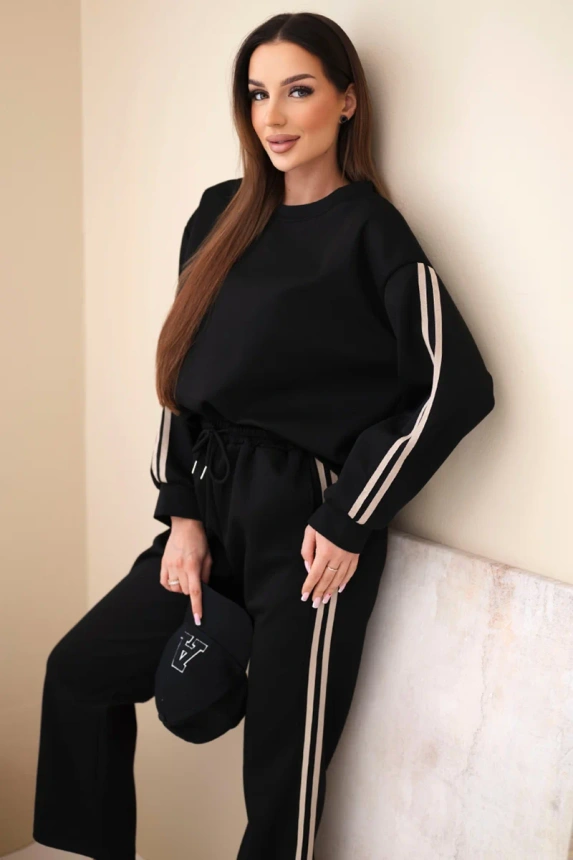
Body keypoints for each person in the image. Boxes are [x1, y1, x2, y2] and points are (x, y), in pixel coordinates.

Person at [33, 11, 495, 860]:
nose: (273, 117)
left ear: (346, 101)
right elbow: (181, 373)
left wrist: (350, 517)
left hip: (306, 534)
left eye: (298, 91)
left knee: (281, 779)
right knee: (80, 673)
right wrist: (181, 516)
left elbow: (454, 386)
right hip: (209, 510)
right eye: (256, 94)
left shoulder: (371, 233)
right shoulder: (219, 214)